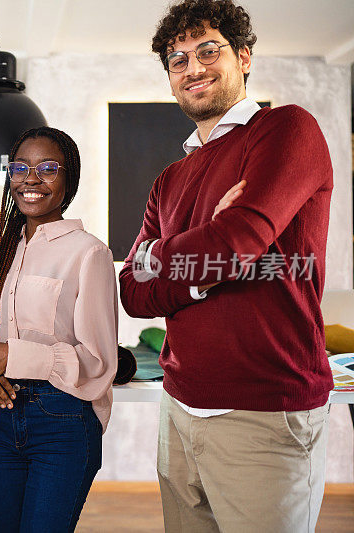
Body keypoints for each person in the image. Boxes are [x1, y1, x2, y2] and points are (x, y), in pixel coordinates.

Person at [119, 1, 334, 531]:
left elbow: (237, 242)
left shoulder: (285, 129)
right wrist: (204, 267)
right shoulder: (169, 179)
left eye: (208, 50)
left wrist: (162, 259)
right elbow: (132, 292)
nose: (193, 68)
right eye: (177, 59)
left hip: (264, 412)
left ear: (243, 57)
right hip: (180, 410)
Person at [0, 127, 118, 533]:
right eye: (20, 168)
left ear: (70, 180)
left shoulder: (89, 252)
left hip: (61, 422)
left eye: (48, 168)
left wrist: (12, 355)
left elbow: (98, 362)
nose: (31, 179)